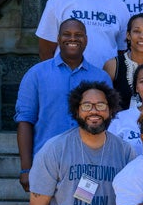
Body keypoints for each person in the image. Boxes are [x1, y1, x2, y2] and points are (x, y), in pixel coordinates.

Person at [15, 19, 110, 192]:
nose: (72, 39)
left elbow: (107, 125)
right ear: (58, 38)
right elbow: (25, 122)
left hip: (88, 166)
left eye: (78, 35)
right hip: (46, 163)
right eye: (67, 34)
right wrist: (26, 168)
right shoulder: (36, 74)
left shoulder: (101, 78)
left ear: (86, 40)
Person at [103, 13, 143, 108]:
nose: (142, 36)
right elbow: (103, 102)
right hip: (121, 122)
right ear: (128, 35)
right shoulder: (113, 66)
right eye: (137, 31)